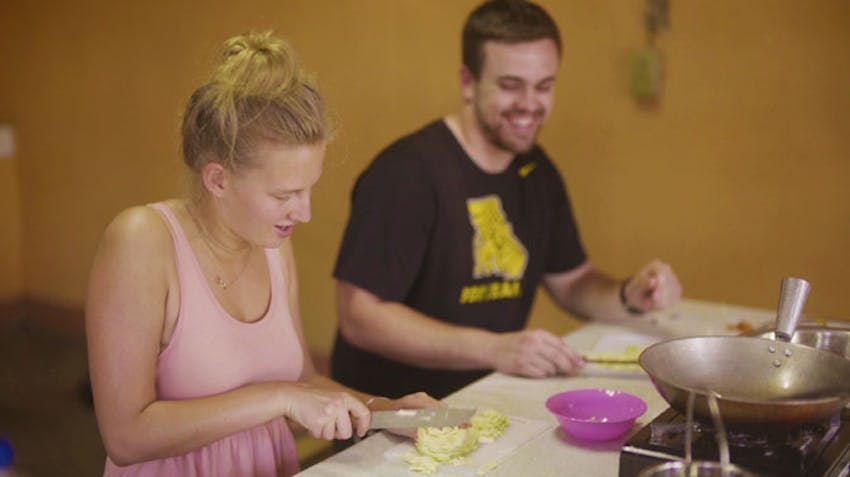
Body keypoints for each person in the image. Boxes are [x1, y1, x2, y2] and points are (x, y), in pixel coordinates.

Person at [85, 31, 438, 477]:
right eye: (285, 195)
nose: (304, 212)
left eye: (309, 189)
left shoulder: (273, 243)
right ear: (218, 180)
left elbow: (302, 385)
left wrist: (385, 409)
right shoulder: (141, 240)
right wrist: (277, 397)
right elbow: (125, 436)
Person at [330, 0, 683, 400]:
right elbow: (359, 316)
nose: (530, 105)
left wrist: (627, 295)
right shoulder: (406, 174)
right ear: (468, 82)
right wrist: (494, 348)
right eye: (511, 85)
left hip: (483, 402)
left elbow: (572, 282)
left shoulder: (536, 171)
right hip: (390, 419)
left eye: (544, 86)